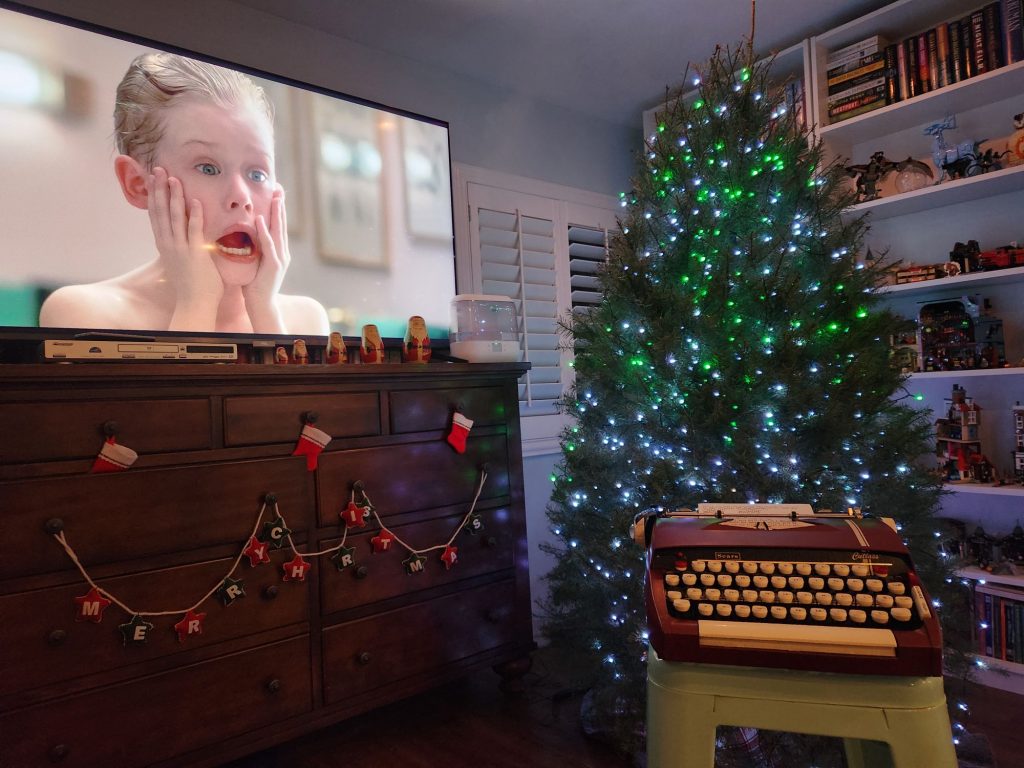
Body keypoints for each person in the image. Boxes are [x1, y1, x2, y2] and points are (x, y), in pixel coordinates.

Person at [39, 52, 330, 336]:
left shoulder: (305, 319)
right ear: (137, 184)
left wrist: (265, 312)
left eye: (257, 174)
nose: (242, 198)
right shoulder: (84, 315)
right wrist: (197, 302)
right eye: (207, 168)